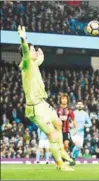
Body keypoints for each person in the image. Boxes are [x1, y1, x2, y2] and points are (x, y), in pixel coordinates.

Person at [17, 25, 74, 171]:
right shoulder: (26, 64)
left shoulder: (34, 63)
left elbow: (39, 59)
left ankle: (62, 151)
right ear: (27, 54)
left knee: (59, 124)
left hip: (43, 103)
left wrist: (41, 54)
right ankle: (60, 165)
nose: (35, 51)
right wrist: (24, 39)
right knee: (53, 135)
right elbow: (25, 52)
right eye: (33, 49)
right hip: (35, 107)